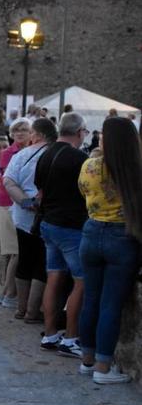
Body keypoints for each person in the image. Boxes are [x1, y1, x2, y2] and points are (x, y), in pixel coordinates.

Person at [77, 117, 142, 384]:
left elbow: (83, 193)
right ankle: (103, 367)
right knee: (111, 304)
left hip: (92, 232)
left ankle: (87, 360)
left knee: (90, 299)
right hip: (122, 237)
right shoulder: (135, 168)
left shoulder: (89, 165)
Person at [34, 113, 89, 357]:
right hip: (70, 226)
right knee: (82, 281)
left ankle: (50, 333)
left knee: (54, 277)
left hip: (48, 223)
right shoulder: (80, 159)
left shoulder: (45, 154)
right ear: (80, 132)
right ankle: (71, 337)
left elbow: (40, 189)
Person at [3, 118, 58, 323]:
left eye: (32, 133)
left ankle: (21, 308)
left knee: (24, 259)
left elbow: (8, 181)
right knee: (41, 263)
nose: (30, 137)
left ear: (39, 134)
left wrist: (25, 202)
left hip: (23, 217)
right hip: (47, 216)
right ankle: (32, 311)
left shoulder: (22, 155)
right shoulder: (55, 154)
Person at [0, 119, 30, 309]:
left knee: (11, 252)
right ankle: (9, 294)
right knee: (15, 251)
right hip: (9, 203)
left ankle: (5, 292)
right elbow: (13, 180)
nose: (20, 133)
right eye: (16, 130)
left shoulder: (28, 151)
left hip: (11, 203)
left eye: (24, 129)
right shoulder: (9, 153)